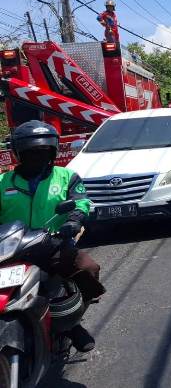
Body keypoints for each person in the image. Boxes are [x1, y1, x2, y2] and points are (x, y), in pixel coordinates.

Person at [0, 121, 105, 352]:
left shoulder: (67, 177)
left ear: (52, 152)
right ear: (19, 153)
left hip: (52, 244)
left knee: (88, 268)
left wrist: (74, 220)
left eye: (43, 151)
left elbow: (81, 201)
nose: (37, 156)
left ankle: (72, 324)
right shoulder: (3, 182)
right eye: (30, 152)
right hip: (8, 249)